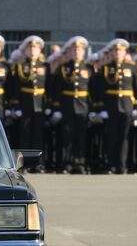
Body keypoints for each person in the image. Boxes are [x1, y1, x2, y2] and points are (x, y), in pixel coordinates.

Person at [96, 39, 137, 174]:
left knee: (124, 137)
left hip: (127, 106)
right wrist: (102, 108)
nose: (118, 53)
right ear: (113, 53)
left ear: (125, 52)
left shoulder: (132, 67)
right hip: (111, 106)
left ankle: (122, 165)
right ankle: (112, 164)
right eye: (115, 51)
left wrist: (136, 108)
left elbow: (136, 89)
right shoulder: (106, 68)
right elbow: (101, 90)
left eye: (120, 51)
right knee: (112, 136)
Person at [10, 36, 51, 171]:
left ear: (40, 50)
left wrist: (50, 105)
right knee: (25, 133)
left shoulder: (45, 66)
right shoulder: (21, 66)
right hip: (25, 103)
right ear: (25, 51)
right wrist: (15, 105)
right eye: (30, 48)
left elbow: (49, 87)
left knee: (38, 134)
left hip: (40, 103)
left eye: (36, 48)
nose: (33, 50)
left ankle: (38, 163)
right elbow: (15, 87)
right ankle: (24, 164)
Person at [53, 36, 93, 174]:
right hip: (67, 105)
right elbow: (57, 89)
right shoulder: (64, 68)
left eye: (79, 49)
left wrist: (93, 109)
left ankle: (79, 163)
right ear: (69, 52)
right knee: (67, 136)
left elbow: (92, 90)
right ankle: (68, 163)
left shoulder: (89, 68)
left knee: (81, 136)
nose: (77, 52)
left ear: (84, 52)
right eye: (74, 49)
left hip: (83, 106)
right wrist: (57, 108)